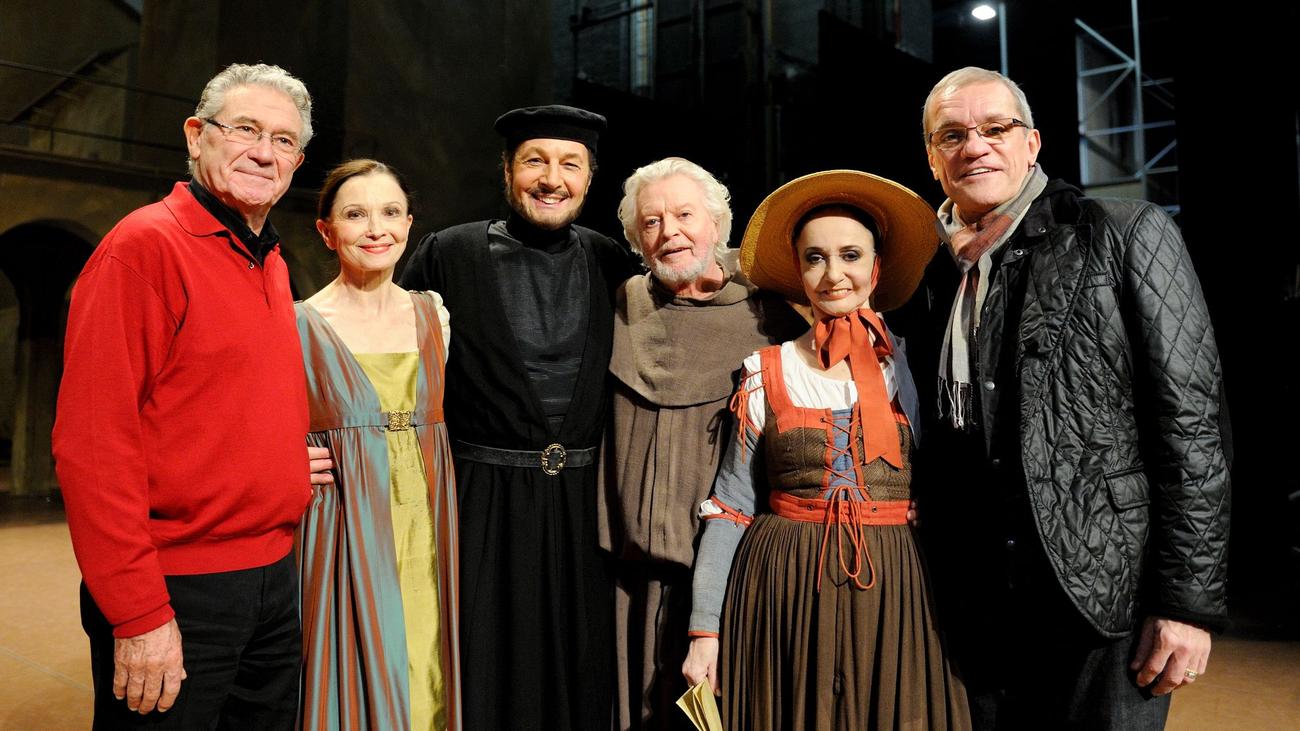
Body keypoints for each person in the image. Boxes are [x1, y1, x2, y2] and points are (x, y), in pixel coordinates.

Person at [912, 66, 1229, 729]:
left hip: (1103, 595)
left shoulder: (1122, 231)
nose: (975, 146)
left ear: (1032, 144)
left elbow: (1193, 426)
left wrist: (1186, 603)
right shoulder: (922, 274)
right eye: (953, 135)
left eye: (996, 128)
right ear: (933, 158)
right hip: (971, 608)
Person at [52, 63, 326, 728]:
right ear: (197, 136)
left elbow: (217, 398)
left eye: (284, 140)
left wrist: (283, 463)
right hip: (177, 587)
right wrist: (139, 612)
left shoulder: (269, 258)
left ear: (297, 162)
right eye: (245, 129)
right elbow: (93, 445)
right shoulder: (145, 246)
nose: (264, 151)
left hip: (273, 579)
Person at [683, 170, 971, 730]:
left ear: (877, 266)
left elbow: (956, 471)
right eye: (815, 258)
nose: (833, 274)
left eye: (850, 255)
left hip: (897, 590)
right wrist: (705, 630)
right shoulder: (767, 371)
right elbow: (732, 505)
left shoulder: (917, 365)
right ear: (799, 270)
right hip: (786, 587)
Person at [399, 104, 641, 730]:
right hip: (479, 504)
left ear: (589, 179)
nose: (551, 179)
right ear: (506, 170)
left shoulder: (610, 261)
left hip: (585, 510)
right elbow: (392, 366)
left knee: (581, 672)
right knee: (484, 665)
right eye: (535, 161)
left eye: (570, 164)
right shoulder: (450, 253)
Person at [598, 157, 804, 729]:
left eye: (685, 215)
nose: (670, 232)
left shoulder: (771, 313)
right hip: (630, 580)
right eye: (652, 222)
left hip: (731, 574)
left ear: (718, 223)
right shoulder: (622, 306)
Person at [295, 160, 461, 729]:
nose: (375, 229)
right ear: (327, 231)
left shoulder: (433, 315)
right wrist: (281, 460)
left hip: (429, 520)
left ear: (409, 224)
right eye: (355, 214)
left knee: (428, 661)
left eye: (390, 213)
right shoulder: (298, 323)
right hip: (342, 523)